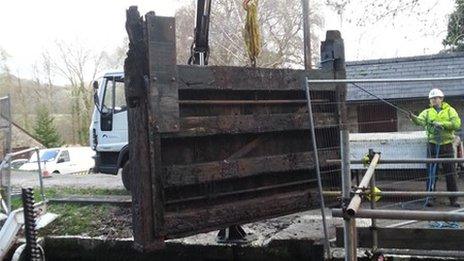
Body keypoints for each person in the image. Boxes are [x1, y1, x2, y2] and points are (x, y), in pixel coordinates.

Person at [409, 88, 461, 207]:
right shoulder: (427, 112)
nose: (433, 100)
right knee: (432, 173)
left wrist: (442, 125)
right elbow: (420, 121)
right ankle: (430, 197)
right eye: (431, 99)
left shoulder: (450, 111)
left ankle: (454, 199)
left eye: (435, 98)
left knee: (450, 173)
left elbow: (456, 124)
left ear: (441, 99)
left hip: (447, 145)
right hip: (432, 145)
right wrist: (413, 117)